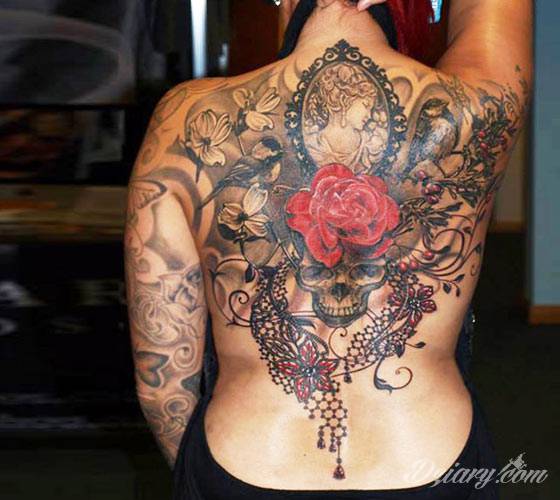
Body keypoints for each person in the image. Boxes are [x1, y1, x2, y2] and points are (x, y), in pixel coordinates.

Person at [125, 1, 532, 498]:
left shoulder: (185, 119)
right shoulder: (477, 107)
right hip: (424, 451)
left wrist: (200, 476)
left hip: (248, 453)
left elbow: (163, 378)